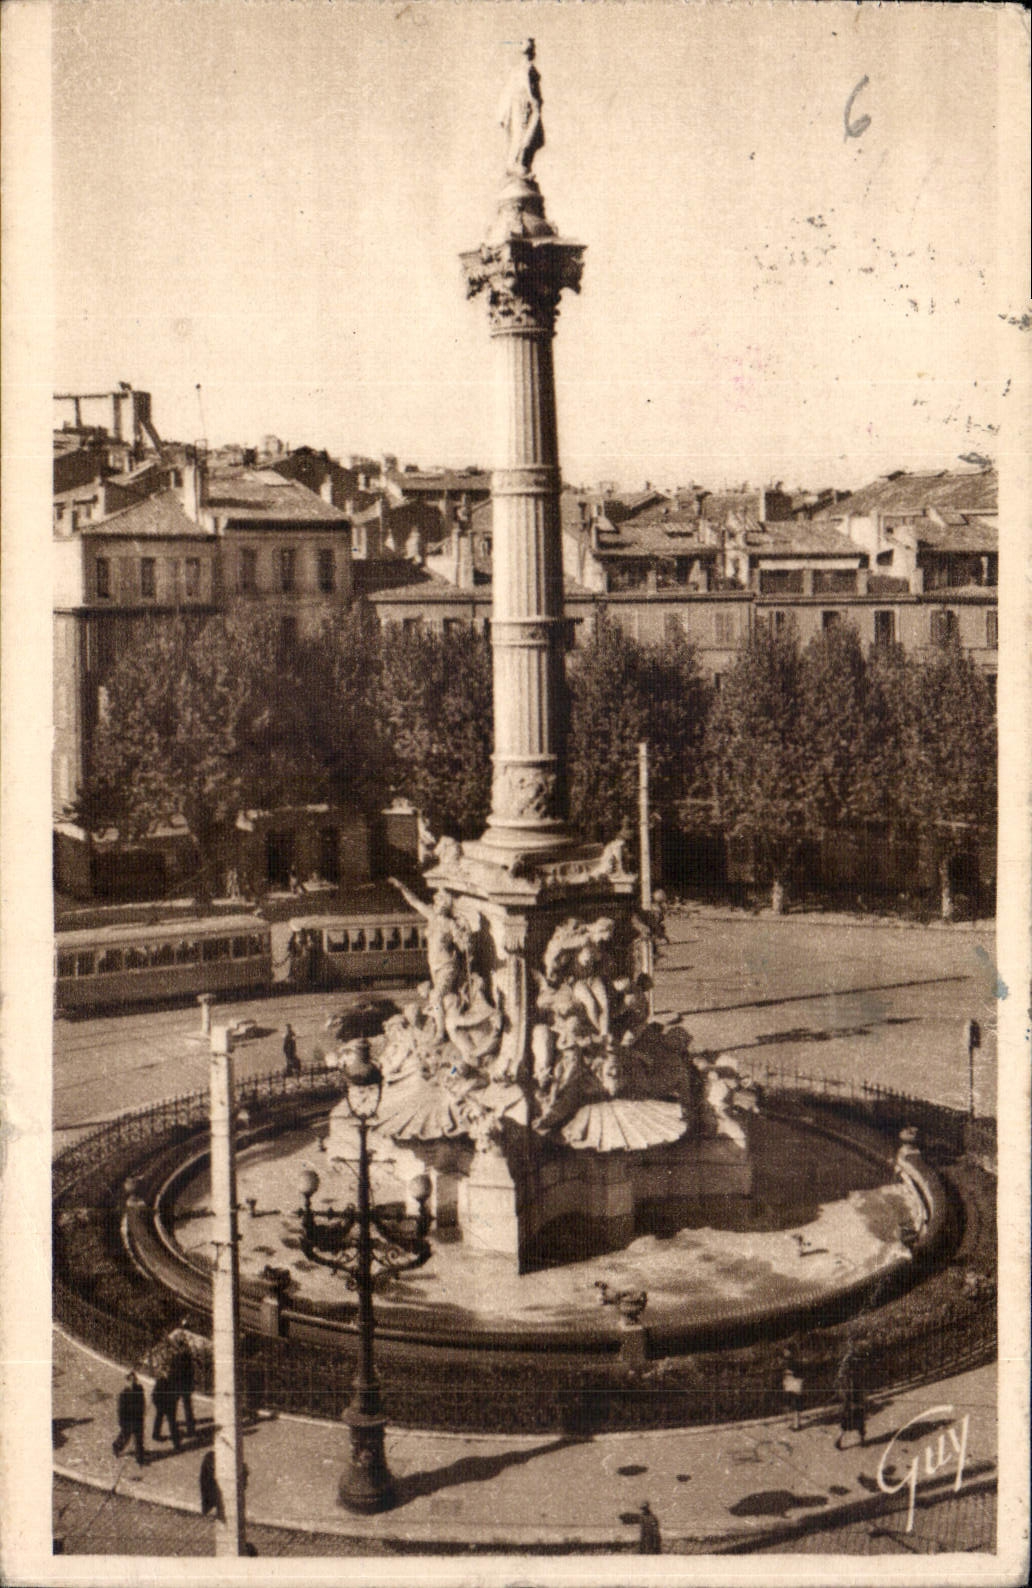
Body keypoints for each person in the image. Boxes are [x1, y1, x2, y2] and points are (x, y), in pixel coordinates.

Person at [496, 37, 545, 178]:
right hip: (524, 106)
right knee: (525, 135)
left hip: (525, 106)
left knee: (528, 136)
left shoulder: (521, 69)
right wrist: (535, 102)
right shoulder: (524, 69)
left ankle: (519, 164)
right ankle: (517, 165)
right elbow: (527, 86)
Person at [834, 1342, 868, 1449]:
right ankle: (862, 1440)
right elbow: (858, 1384)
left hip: (847, 1399)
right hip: (854, 1397)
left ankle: (839, 1439)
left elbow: (840, 1381)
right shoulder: (854, 1372)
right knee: (860, 1419)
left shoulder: (843, 1371)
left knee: (846, 1421)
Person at [112, 1370, 146, 1465]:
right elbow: (121, 1410)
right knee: (125, 1437)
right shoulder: (124, 1395)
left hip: (138, 1419)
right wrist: (122, 1422)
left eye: (134, 1380)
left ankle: (140, 1459)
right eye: (131, 1381)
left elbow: (142, 1403)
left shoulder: (139, 1390)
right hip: (128, 1421)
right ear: (127, 1382)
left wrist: (142, 1414)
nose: (133, 1383)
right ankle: (116, 1447)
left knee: (139, 1439)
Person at [168, 1329, 197, 1439]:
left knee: (173, 1407)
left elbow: (172, 1373)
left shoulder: (176, 1358)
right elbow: (191, 1371)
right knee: (188, 1407)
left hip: (176, 1386)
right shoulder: (187, 1356)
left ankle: (173, 1429)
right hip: (186, 1386)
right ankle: (191, 1429)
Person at [151, 1370, 180, 1449]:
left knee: (169, 1423)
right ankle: (176, 1443)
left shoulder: (164, 1381)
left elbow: (154, 1395)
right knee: (171, 1423)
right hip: (165, 1405)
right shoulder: (166, 1382)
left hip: (167, 1405)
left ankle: (175, 1443)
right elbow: (154, 1395)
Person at [781, 1345, 804, 1431]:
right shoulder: (788, 1361)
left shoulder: (794, 1362)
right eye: (785, 1351)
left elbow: (798, 1373)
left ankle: (797, 1425)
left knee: (796, 1404)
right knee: (793, 1403)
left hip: (795, 1383)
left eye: (787, 1351)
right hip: (791, 1384)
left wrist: (789, 1374)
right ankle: (795, 1423)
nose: (785, 1353)